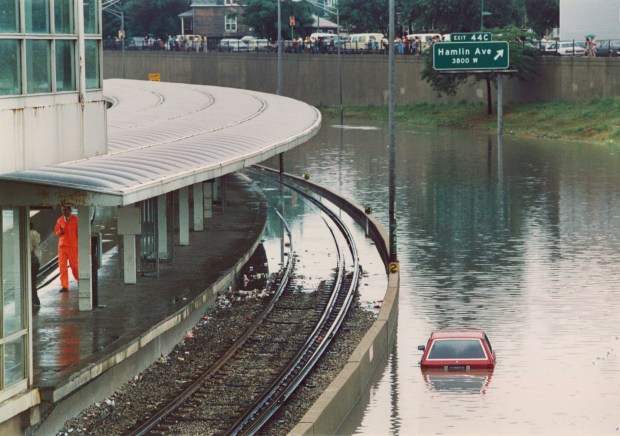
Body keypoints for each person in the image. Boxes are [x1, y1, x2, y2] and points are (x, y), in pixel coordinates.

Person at [54, 206, 79, 292]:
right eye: (62, 210)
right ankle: (65, 286)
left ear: (69, 210)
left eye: (65, 210)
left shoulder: (75, 220)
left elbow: (79, 233)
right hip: (62, 246)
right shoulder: (60, 220)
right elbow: (56, 232)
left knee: (75, 265)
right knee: (62, 266)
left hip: (72, 246)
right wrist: (60, 232)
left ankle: (79, 279)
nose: (64, 212)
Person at [30, 223, 41, 306]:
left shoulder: (28, 234)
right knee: (33, 281)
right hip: (36, 260)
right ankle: (35, 300)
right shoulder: (36, 234)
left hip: (31, 260)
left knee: (31, 281)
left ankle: (34, 300)